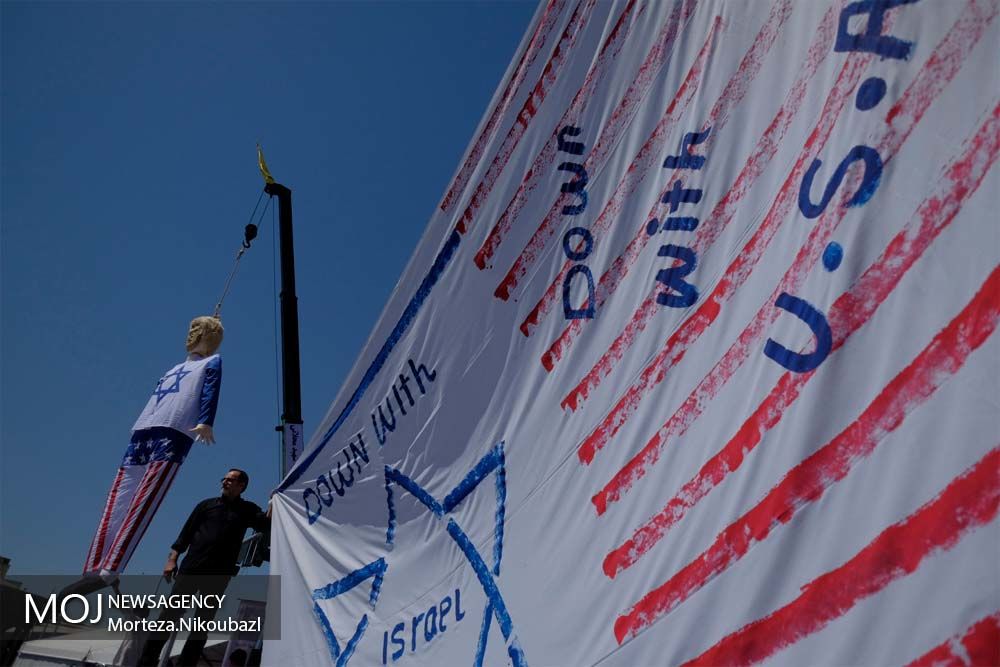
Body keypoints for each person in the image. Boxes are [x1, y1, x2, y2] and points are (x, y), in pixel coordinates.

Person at [83, 316, 224, 581]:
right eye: (190, 328)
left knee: (144, 499)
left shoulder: (212, 362)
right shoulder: (174, 368)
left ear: (209, 335)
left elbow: (209, 390)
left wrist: (205, 420)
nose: (191, 333)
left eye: (197, 329)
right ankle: (96, 560)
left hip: (174, 430)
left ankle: (112, 564)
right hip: (145, 429)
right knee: (120, 493)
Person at [139, 468, 270, 667]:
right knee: (169, 616)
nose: (225, 482)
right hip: (192, 568)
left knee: (202, 622)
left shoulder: (248, 510)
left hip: (219, 574)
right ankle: (146, 662)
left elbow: (265, 524)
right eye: (224, 478)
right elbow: (185, 534)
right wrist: (172, 559)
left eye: (230, 480)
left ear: (241, 485)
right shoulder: (206, 506)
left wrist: (273, 501)